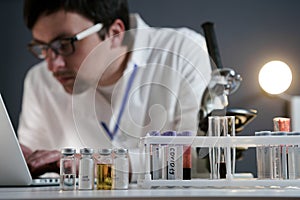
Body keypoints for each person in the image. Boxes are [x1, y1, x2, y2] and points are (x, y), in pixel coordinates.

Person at [19, 0, 211, 181]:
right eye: (42, 48)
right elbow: (34, 171)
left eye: (64, 44)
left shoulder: (183, 53)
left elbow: (198, 158)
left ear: (114, 33)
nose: (53, 65)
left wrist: (89, 165)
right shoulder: (40, 80)